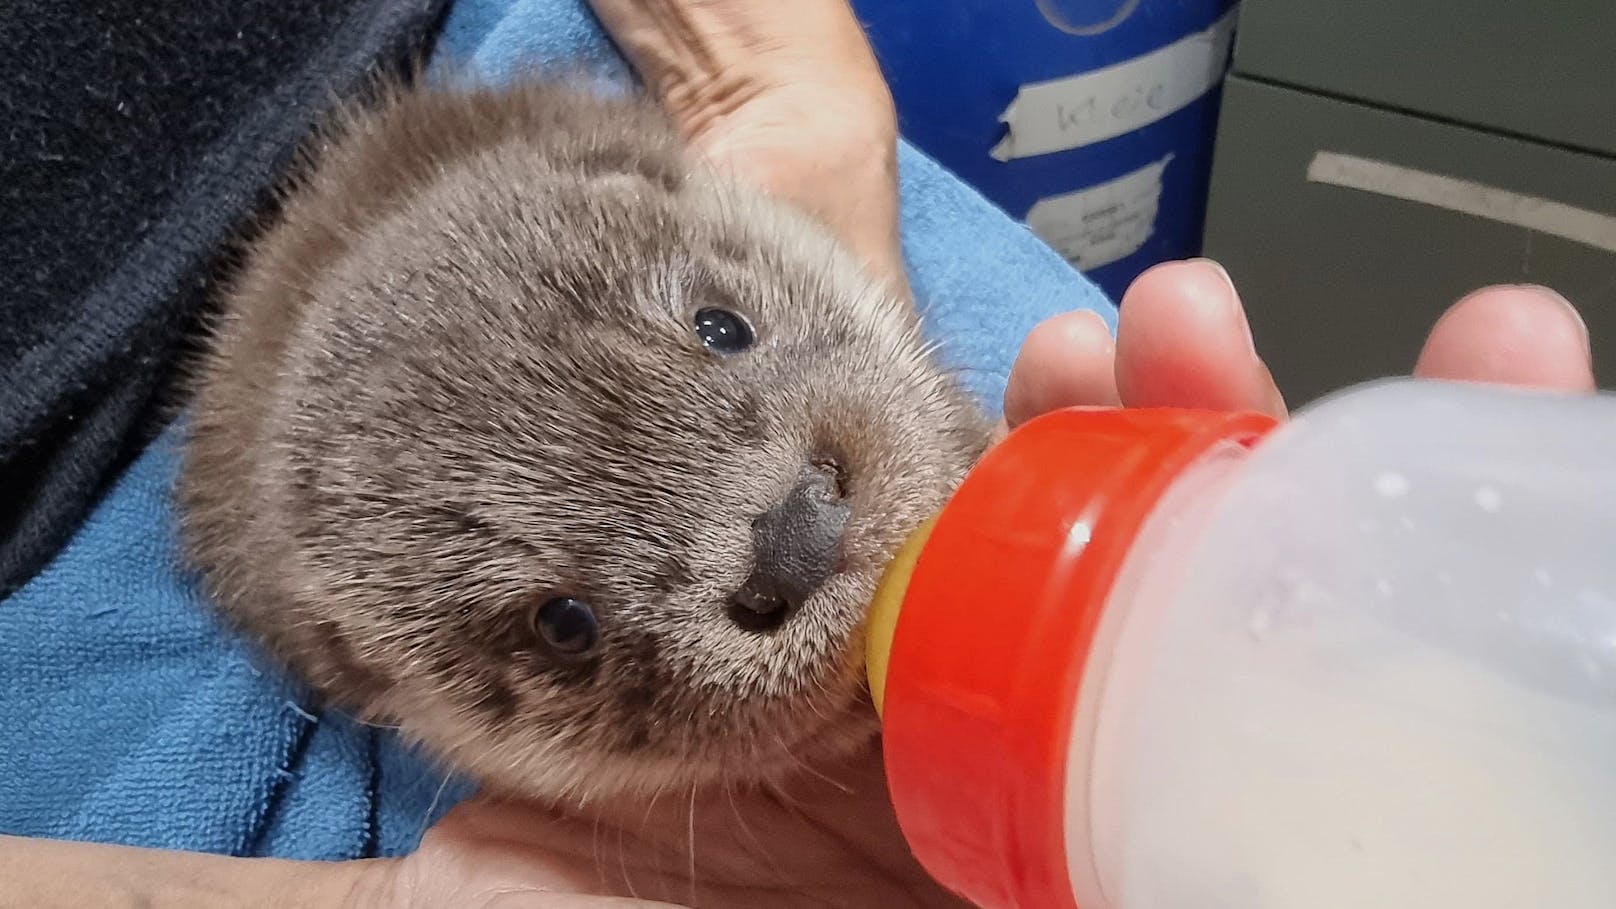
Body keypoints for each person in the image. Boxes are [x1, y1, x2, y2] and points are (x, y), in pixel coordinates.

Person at [0, 0, 1595, 906]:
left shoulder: (665, 184)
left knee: (1158, 488)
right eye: (567, 624)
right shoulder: (331, 615)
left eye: (717, 339)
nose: (784, 543)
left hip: (487, 50)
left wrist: (775, 87)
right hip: (83, 495)